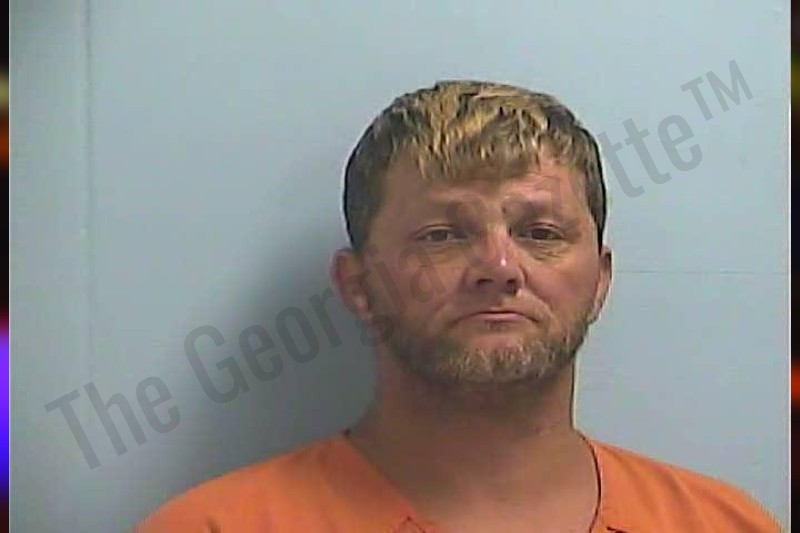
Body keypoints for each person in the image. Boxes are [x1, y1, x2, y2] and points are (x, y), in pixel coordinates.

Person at [137, 81, 780, 532]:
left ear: (600, 281)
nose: (499, 268)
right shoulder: (215, 527)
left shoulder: (725, 524)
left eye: (541, 233)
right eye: (441, 236)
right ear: (357, 285)